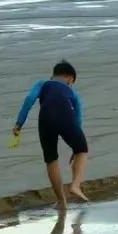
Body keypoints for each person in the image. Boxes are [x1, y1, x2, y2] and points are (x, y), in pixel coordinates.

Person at [12, 60, 90, 218]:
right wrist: (76, 144)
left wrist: (19, 123)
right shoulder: (72, 92)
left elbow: (29, 99)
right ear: (69, 78)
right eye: (72, 82)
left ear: (54, 75)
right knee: (82, 150)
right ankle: (75, 186)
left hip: (45, 119)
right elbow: (78, 116)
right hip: (66, 117)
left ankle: (61, 201)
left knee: (51, 160)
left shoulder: (42, 84)